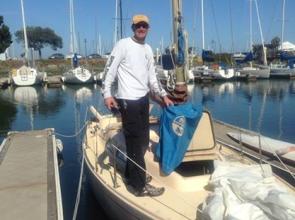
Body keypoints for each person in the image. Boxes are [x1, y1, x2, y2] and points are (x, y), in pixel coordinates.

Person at [102, 14, 173, 197]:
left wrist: (163, 96)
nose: (141, 28)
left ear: (148, 28)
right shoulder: (123, 45)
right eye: (138, 25)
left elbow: (152, 78)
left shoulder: (148, 49)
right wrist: (107, 94)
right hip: (128, 100)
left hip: (143, 100)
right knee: (134, 143)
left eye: (144, 26)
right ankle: (138, 186)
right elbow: (109, 70)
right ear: (133, 28)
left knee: (142, 143)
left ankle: (130, 175)